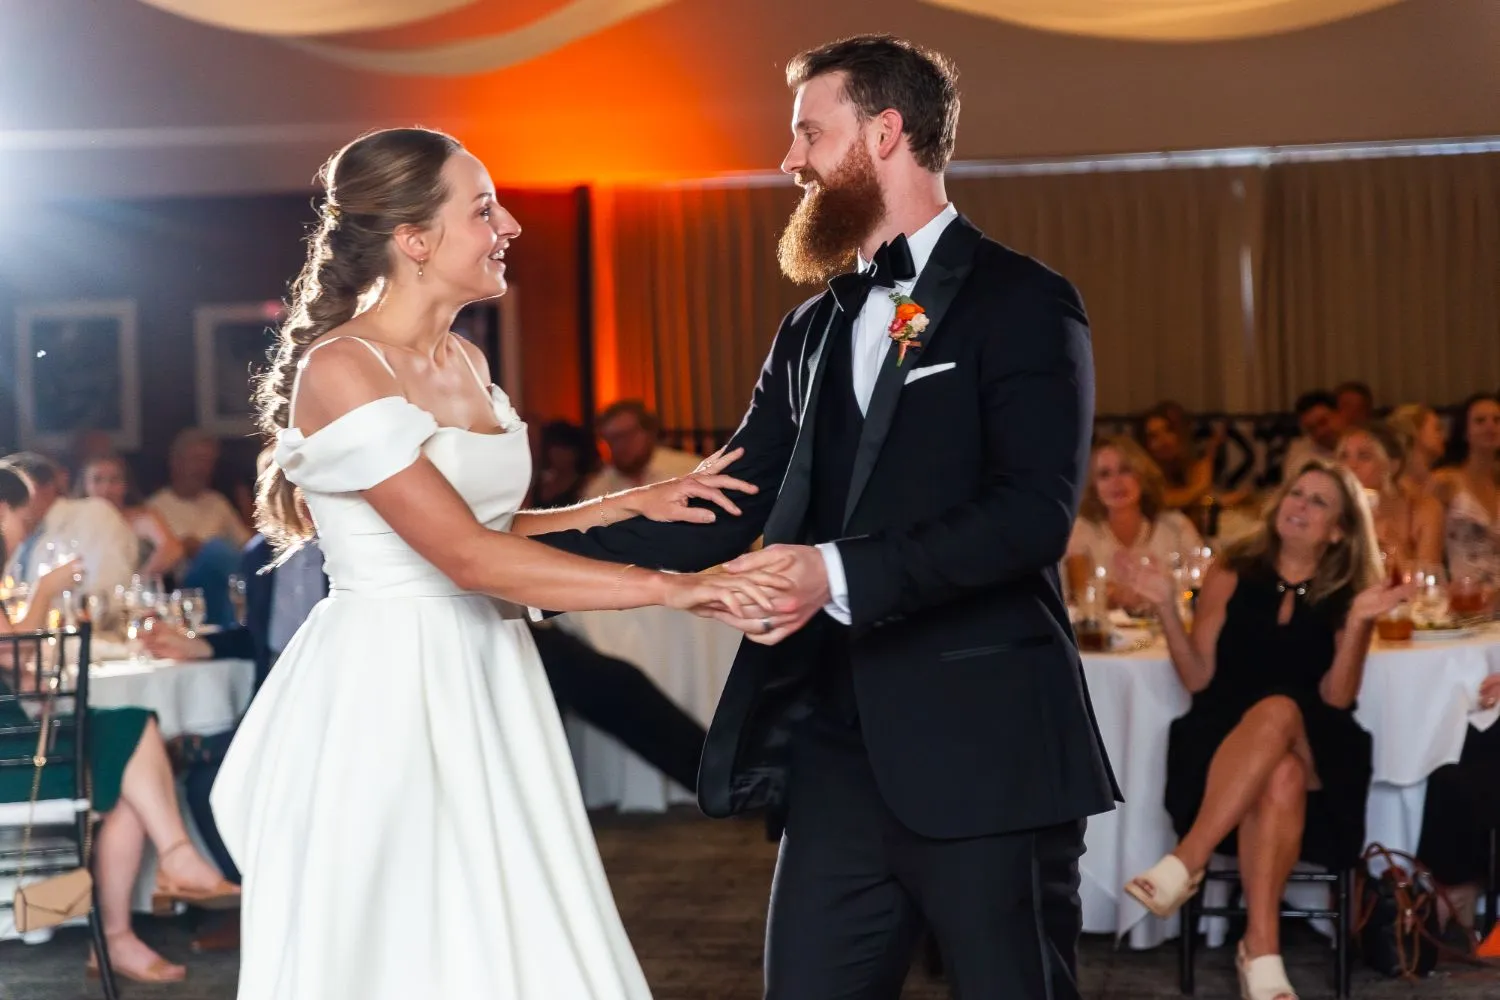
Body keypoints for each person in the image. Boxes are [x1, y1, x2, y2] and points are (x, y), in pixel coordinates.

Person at [536, 36, 1118, 999]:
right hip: (836, 759)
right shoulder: (811, 327)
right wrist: (514, 554)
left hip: (988, 751)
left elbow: (1030, 517)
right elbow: (722, 507)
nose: (789, 160)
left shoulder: (1023, 301)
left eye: (810, 132)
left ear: (885, 133)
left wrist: (832, 576)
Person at [206, 127, 782, 1000]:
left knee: (507, 904)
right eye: (482, 209)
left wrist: (626, 503)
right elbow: (469, 555)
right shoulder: (343, 369)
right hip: (392, 679)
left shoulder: (466, 361)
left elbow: (485, 518)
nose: (507, 224)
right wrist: (676, 588)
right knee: (409, 928)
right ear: (415, 240)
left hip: (485, 658)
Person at [1118, 460, 1406, 1000]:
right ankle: (1261, 950)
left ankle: (1187, 861)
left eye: (1319, 502)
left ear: (1339, 530)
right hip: (1223, 740)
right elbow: (1199, 677)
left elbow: (1337, 698)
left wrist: (1361, 622)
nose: (1300, 506)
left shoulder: (1350, 590)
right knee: (1280, 777)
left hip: (1320, 741)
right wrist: (1163, 608)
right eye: (1297, 493)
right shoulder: (1231, 572)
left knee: (1279, 711)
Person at [0, 465, 238, 984]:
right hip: (9, 765)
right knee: (131, 729)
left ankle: (128, 924)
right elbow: (9, 642)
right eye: (19, 514)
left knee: (129, 759)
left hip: (14, 747)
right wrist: (45, 590)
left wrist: (29, 676)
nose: (22, 525)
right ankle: (150, 892)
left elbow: (15, 662)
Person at [1065, 435, 1202, 610]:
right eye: (1104, 474)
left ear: (1142, 477)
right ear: (1093, 486)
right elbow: (1082, 596)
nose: (1117, 482)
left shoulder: (1176, 527)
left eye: (1125, 470)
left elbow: (1204, 586)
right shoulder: (1082, 530)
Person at [0, 451, 138, 597]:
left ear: (46, 487)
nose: (8, 505)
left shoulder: (94, 514)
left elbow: (108, 588)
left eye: (16, 494)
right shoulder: (19, 538)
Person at [1334, 422, 1444, 569]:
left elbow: (1428, 582)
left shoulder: (1423, 509)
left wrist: (1392, 541)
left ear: (1392, 466)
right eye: (1343, 456)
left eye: (1364, 456)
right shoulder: (1331, 509)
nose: (1351, 465)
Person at [1430, 393, 1500, 593]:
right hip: (1465, 597)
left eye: (1497, 420)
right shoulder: (1445, 480)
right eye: (1480, 421)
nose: (1490, 427)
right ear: (1465, 431)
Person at [77, 454, 186, 580]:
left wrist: (137, 583)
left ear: (125, 486)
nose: (106, 488)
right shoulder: (74, 522)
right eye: (97, 480)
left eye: (114, 480)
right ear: (85, 486)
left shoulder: (141, 517)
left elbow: (173, 549)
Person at [584, 400, 702, 500]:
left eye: (626, 435)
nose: (619, 445)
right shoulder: (598, 489)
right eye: (611, 439)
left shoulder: (691, 469)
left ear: (649, 432)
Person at [1283, 390, 1345, 481]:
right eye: (1311, 429)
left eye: (1323, 422)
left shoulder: (1363, 443)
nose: (1320, 432)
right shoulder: (1299, 455)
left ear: (1340, 415)